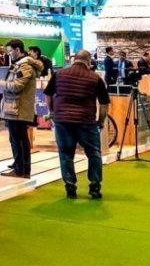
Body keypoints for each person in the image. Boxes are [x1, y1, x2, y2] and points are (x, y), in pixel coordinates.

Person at [44, 49, 109, 199]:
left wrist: (52, 111)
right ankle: (94, 186)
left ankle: (70, 186)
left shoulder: (59, 74)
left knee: (66, 154)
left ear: (74, 59)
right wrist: (100, 121)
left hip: (63, 120)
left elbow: (48, 94)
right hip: (86, 121)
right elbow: (104, 103)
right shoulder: (95, 78)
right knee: (93, 153)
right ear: (89, 61)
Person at [0, 39, 42, 179]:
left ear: (18, 50)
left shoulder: (25, 66)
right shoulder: (20, 65)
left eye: (10, 51)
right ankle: (21, 167)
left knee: (19, 140)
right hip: (15, 107)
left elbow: (17, 86)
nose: (8, 54)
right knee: (18, 139)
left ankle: (20, 170)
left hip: (18, 108)